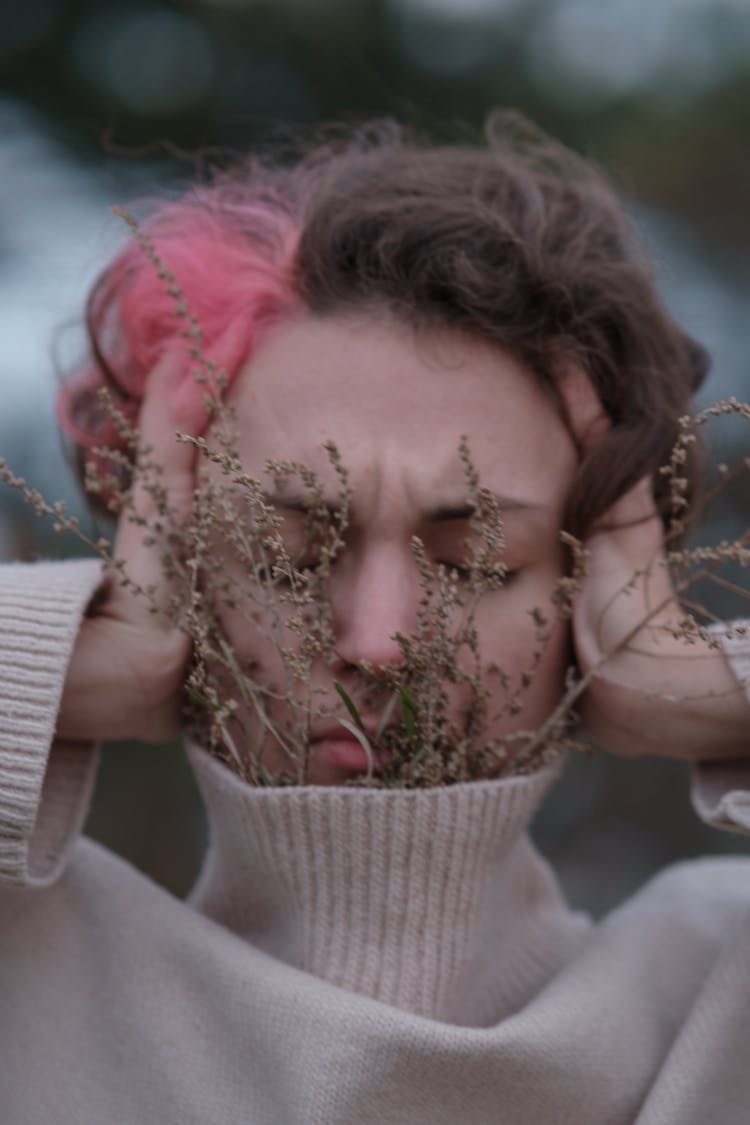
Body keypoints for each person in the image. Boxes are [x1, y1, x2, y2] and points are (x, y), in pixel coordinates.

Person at [1, 116, 749, 1123]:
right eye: (285, 552)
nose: (379, 641)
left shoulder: (713, 996)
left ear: (600, 582)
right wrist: (66, 661)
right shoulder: (29, 982)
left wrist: (697, 693)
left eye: (474, 556)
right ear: (170, 558)